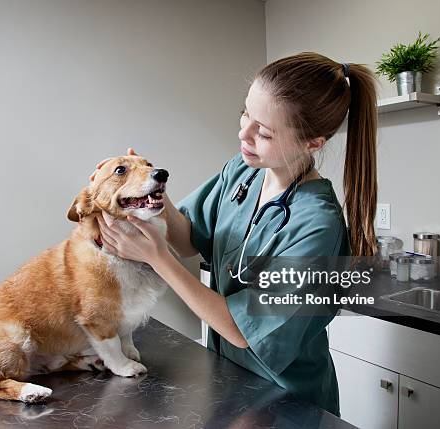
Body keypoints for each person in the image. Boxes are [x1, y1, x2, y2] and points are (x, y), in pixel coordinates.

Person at [92, 52, 378, 416]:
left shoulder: (317, 226)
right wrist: (150, 191)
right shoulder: (244, 172)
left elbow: (242, 331)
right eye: (246, 114)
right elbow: (188, 238)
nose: (244, 133)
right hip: (230, 383)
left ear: (313, 143)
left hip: (285, 399)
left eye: (265, 132)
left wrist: (156, 257)